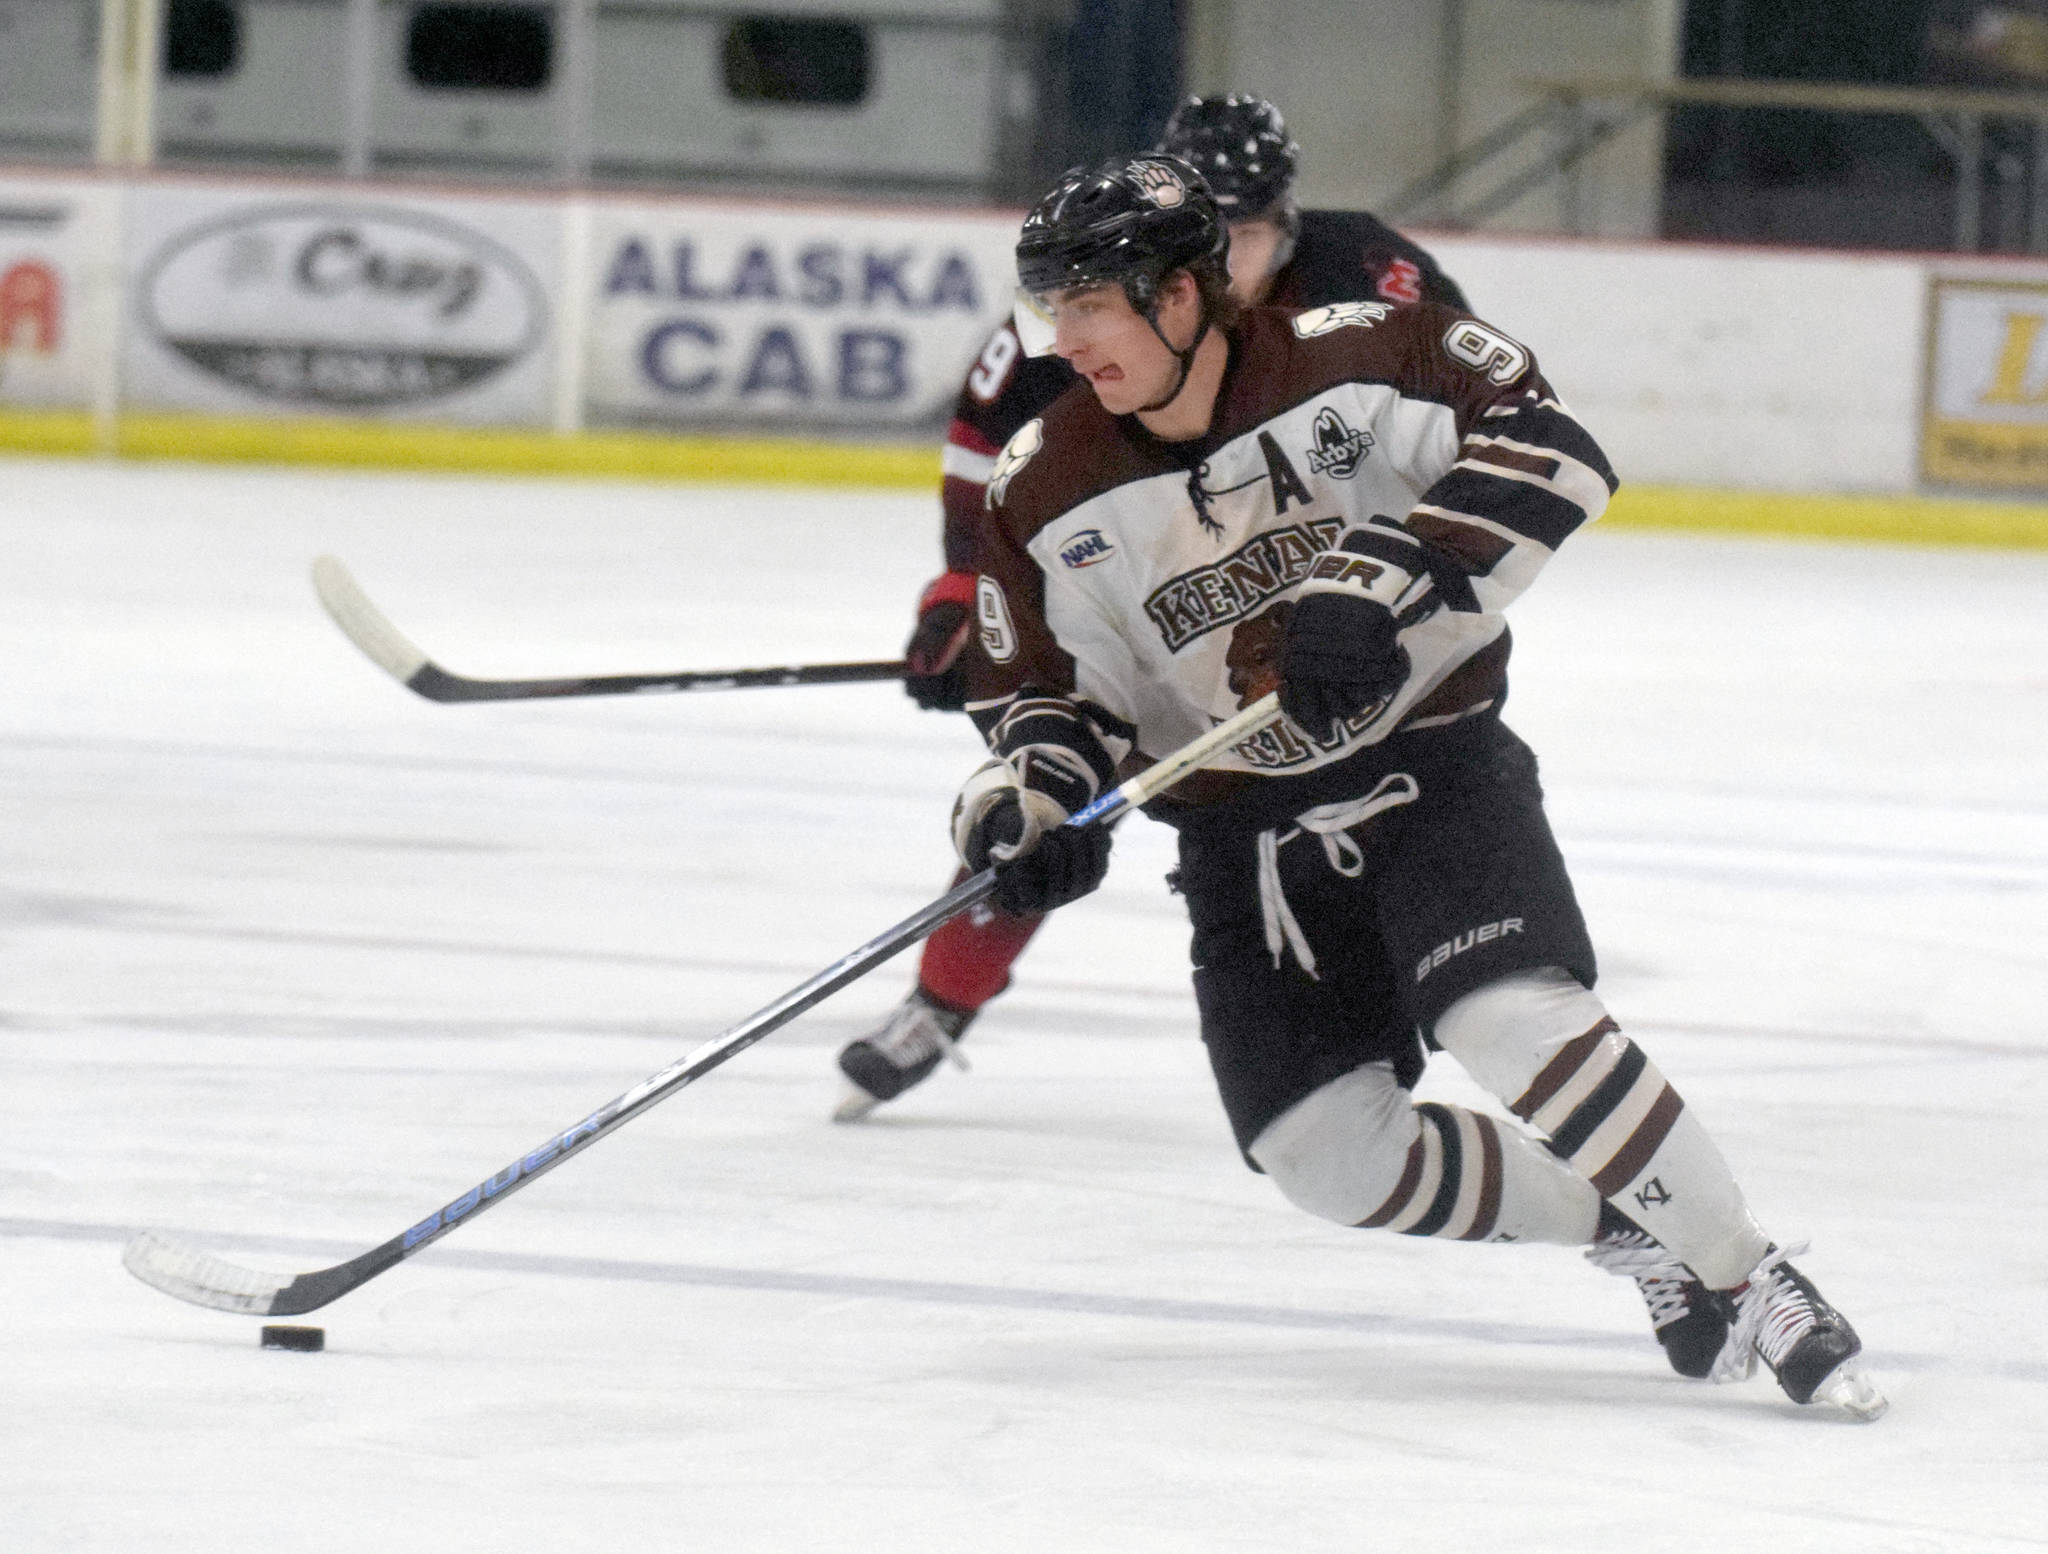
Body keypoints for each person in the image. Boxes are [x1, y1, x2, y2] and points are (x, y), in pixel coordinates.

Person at [932, 152, 1886, 1414]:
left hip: (1426, 767)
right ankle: (1629, 1226)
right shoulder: (1043, 485)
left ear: (1176, 296)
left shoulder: (1368, 354)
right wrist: (1032, 808)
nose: (1064, 341)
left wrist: (1379, 574)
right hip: (1245, 840)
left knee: (1507, 1017)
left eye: (1090, 306)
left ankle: (1748, 1270)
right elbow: (1043, 700)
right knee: (1320, 1157)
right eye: (1049, 309)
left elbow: (1554, 449)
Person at [837, 94, 1469, 1121]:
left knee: (1397, 792)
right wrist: (966, 593)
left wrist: (1408, 570)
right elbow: (982, 444)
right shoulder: (1101, 287)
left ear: (1289, 218)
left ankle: (1424, 996)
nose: (1232, 261)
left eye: (1253, 231)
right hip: (1149, 596)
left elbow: (1461, 414)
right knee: (1049, 802)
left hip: (1324, 586)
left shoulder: (1365, 276)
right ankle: (940, 997)